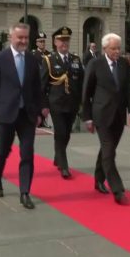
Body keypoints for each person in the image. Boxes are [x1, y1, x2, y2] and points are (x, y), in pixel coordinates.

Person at [0, 23, 48, 209]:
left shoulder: (32, 59)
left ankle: (25, 192)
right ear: (11, 38)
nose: (23, 41)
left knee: (27, 153)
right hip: (5, 113)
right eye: (20, 38)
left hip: (27, 115)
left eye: (26, 38)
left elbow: (37, 88)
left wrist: (39, 111)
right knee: (3, 150)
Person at [82, 33, 130, 205]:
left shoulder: (124, 64)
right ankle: (118, 190)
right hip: (101, 115)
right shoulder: (95, 64)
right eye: (113, 48)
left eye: (119, 48)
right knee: (109, 151)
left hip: (119, 115)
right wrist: (87, 118)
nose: (117, 51)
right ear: (105, 48)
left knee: (108, 150)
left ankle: (98, 179)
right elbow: (86, 92)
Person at [40, 26, 85, 179]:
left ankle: (57, 156)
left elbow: (82, 83)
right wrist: (44, 105)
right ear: (55, 42)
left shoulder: (76, 60)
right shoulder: (49, 60)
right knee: (60, 132)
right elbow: (42, 85)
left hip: (72, 104)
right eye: (61, 40)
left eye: (66, 40)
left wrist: (83, 103)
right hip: (56, 103)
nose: (64, 43)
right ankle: (64, 166)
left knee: (67, 134)